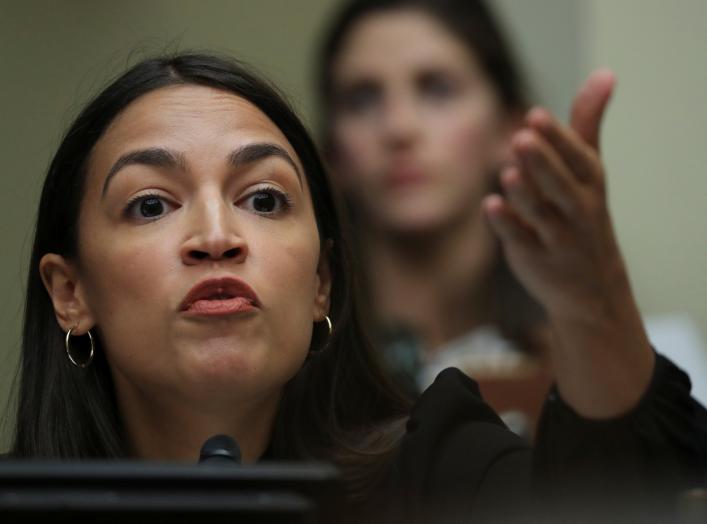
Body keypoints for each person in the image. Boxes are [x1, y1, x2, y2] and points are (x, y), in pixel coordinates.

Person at [5, 53, 707, 522]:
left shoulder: (433, 466)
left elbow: (607, 504)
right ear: (71, 293)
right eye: (152, 205)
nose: (217, 235)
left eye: (264, 199)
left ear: (321, 283)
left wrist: (592, 302)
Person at [316, 0, 557, 433]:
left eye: (437, 89)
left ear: (510, 129)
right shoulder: (289, 374)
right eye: (362, 98)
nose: (398, 128)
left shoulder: (598, 364)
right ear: (334, 151)